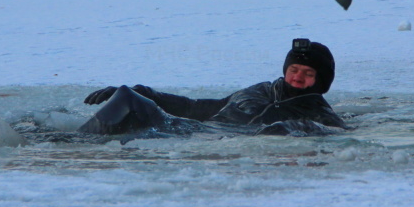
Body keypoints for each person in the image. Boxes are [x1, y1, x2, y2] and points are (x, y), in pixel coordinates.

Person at [78, 39, 347, 136]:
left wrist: (295, 126)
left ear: (320, 81)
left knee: (128, 101)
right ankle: (73, 141)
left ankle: (77, 145)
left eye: (308, 73)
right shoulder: (262, 90)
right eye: (294, 70)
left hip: (202, 142)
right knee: (130, 95)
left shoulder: (319, 113)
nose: (297, 78)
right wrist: (147, 93)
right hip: (189, 130)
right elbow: (197, 108)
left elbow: (337, 133)